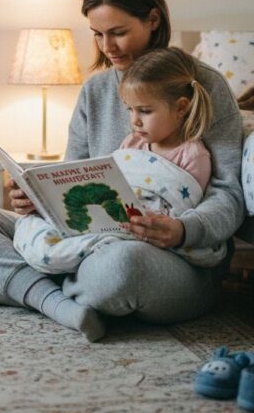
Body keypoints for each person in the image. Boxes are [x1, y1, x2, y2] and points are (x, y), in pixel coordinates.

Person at [0, 0, 244, 342]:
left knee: (119, 269)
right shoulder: (95, 92)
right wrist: (36, 199)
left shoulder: (202, 86)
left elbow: (229, 194)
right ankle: (56, 300)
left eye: (118, 33)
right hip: (83, 240)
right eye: (97, 35)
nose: (107, 47)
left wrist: (182, 230)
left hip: (170, 257)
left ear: (153, 20)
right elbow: (70, 178)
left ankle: (20, 288)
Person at [13, 46, 228, 274]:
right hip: (107, 218)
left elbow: (182, 207)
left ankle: (34, 280)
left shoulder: (193, 155)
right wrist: (42, 201)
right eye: (130, 110)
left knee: (113, 258)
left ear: (181, 107)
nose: (134, 121)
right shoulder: (132, 143)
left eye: (144, 111)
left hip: (138, 235)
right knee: (22, 223)